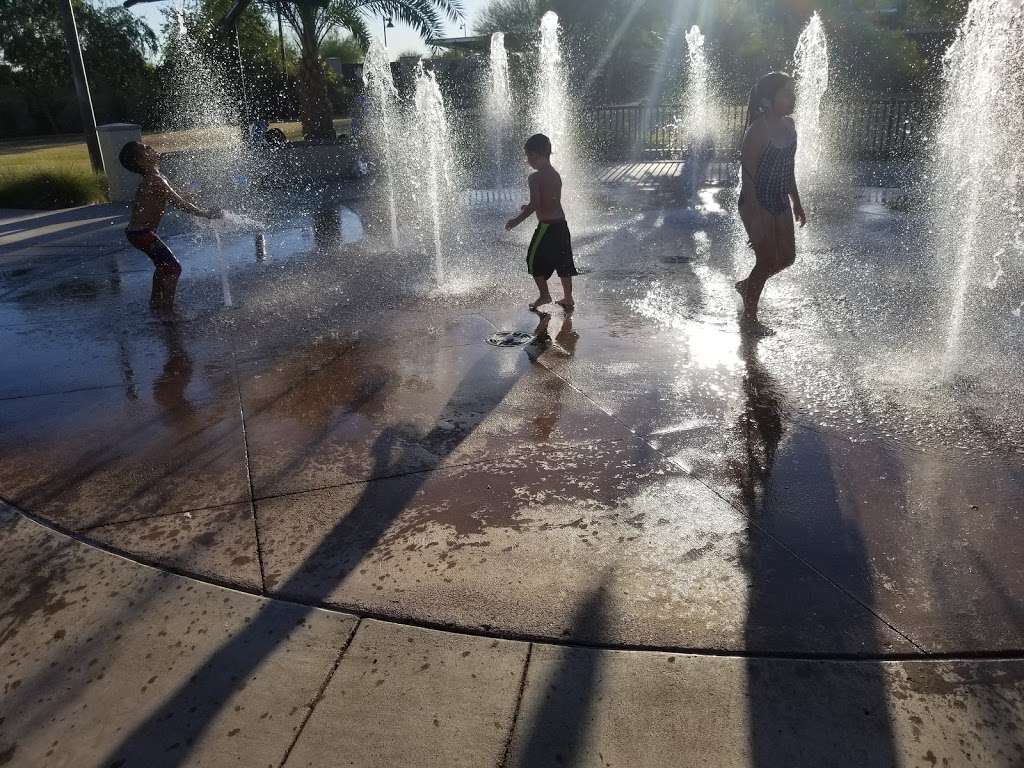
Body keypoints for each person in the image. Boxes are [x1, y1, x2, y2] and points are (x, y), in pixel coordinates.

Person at [735, 72, 807, 328]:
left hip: (779, 198)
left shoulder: (790, 127)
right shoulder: (757, 131)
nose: (792, 97)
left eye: (792, 92)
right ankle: (750, 317)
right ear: (768, 99)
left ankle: (748, 285)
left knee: (787, 258)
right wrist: (757, 215)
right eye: (786, 93)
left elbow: (788, 169)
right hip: (756, 201)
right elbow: (748, 178)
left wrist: (796, 202)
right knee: (765, 261)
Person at [119, 141, 222, 314]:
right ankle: (168, 311)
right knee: (173, 268)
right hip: (142, 234)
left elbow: (178, 196)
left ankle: (156, 303)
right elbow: (180, 203)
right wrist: (206, 214)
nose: (150, 147)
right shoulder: (155, 179)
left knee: (162, 265)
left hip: (138, 233)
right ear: (141, 161)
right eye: (145, 148)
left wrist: (193, 195)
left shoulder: (157, 178)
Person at [505, 133, 578, 311]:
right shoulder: (555, 175)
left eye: (530, 155)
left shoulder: (534, 178)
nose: (528, 160)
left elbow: (536, 204)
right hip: (561, 225)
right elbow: (549, 201)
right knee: (564, 263)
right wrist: (529, 206)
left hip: (546, 227)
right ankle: (568, 299)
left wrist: (516, 220)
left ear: (538, 155)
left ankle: (544, 295)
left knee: (532, 260)